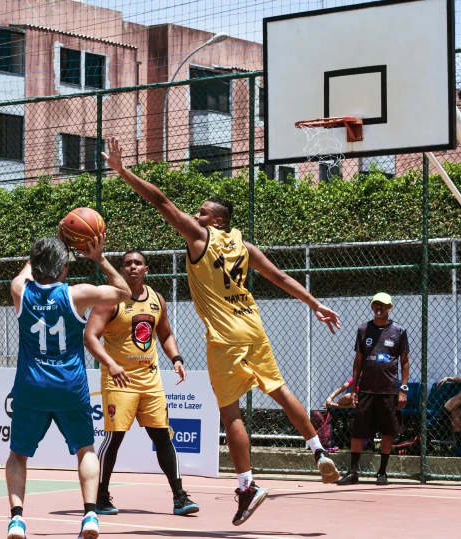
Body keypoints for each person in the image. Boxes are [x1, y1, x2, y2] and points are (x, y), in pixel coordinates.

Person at [101, 137, 342, 527]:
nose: (194, 216)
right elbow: (279, 276)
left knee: (230, 412)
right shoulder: (243, 246)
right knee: (280, 390)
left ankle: (247, 485)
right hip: (253, 325)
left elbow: (161, 201)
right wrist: (314, 303)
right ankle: (318, 450)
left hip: (226, 336)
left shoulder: (200, 238)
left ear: (215, 220)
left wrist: (123, 170)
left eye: (201, 212)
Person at [6, 234, 131, 539]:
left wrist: (54, 240)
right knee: (85, 450)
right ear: (63, 268)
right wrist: (99, 257)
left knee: (18, 456)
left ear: (35, 265)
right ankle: (90, 515)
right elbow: (124, 292)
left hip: (31, 385)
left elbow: (25, 272)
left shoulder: (20, 291)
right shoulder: (77, 294)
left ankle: (17, 520)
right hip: (70, 386)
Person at [84, 249, 199, 516]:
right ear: (121, 270)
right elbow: (90, 336)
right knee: (114, 438)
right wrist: (111, 364)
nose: (132, 267)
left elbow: (166, 333)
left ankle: (179, 497)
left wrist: (177, 358)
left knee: (163, 436)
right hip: (119, 381)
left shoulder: (157, 299)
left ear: (146, 269)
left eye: (138, 263)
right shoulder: (110, 300)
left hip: (151, 380)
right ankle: (101, 496)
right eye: (127, 264)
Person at [335, 293, 410, 486]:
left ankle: (382, 472)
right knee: (358, 432)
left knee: (387, 432)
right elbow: (358, 360)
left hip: (389, 391)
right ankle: (353, 472)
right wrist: (353, 390)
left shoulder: (399, 331)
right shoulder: (363, 330)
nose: (379, 308)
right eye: (376, 304)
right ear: (372, 307)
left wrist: (403, 389)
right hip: (366, 390)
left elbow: (405, 362)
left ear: (390, 308)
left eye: (383, 305)